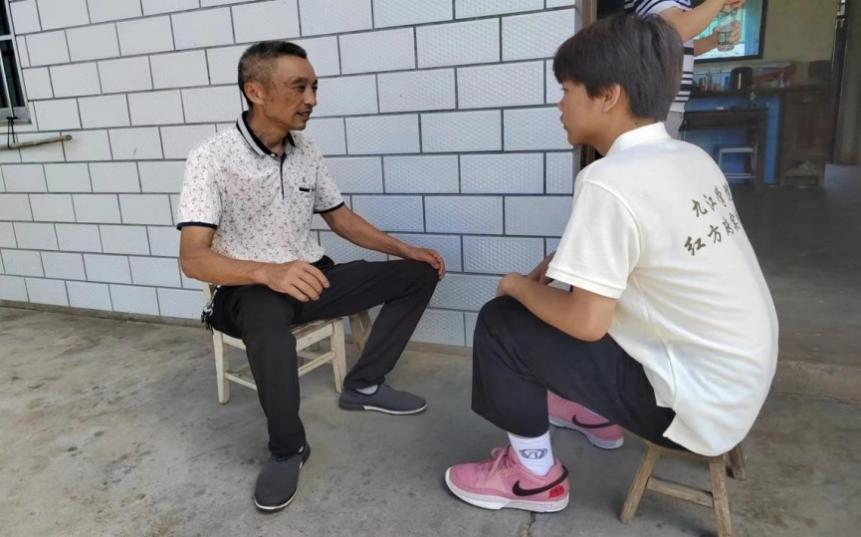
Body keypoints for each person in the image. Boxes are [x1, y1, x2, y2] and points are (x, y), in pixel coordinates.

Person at [444, 14, 778, 513]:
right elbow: (650, 246)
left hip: (692, 411)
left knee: (503, 322)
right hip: (738, 385)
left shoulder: (609, 179)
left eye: (566, 90)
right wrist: (562, 261)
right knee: (567, 291)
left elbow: (586, 323)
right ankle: (590, 412)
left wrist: (514, 284)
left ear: (608, 96)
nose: (559, 105)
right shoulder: (690, 159)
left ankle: (534, 478)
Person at [177, 41, 446, 513]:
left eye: (315, 88)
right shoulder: (210, 158)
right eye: (299, 87)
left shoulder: (307, 150)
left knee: (420, 273)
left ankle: (365, 384)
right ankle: (287, 449)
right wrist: (267, 272)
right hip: (247, 290)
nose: (312, 100)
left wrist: (405, 250)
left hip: (312, 277)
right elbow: (193, 258)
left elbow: (340, 218)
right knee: (266, 319)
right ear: (256, 91)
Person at [625, 0, 745, 137]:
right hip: (651, 107)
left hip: (666, 107)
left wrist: (713, 41)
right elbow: (675, 30)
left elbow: (675, 46)